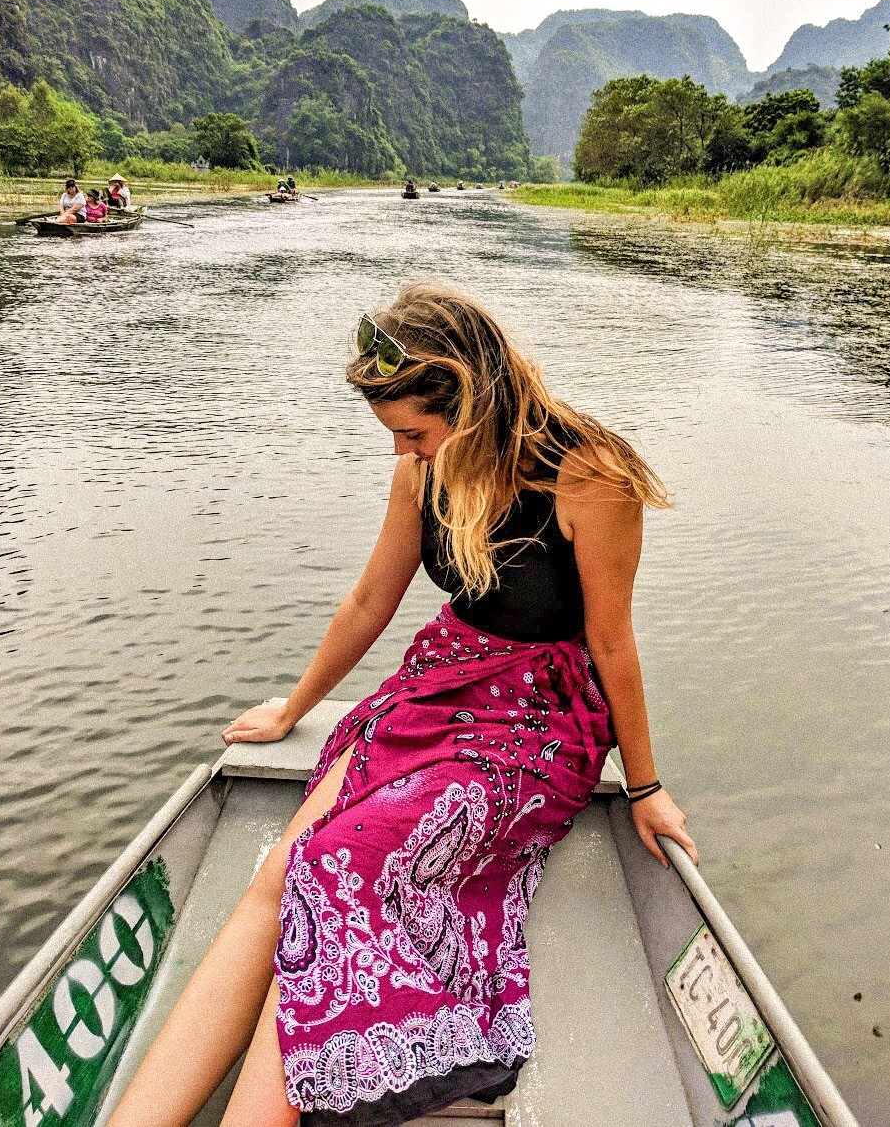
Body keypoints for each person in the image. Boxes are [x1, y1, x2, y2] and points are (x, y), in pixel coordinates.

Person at [109, 284, 697, 1127]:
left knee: (337, 864)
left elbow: (611, 644)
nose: (403, 450)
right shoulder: (420, 469)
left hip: (541, 715)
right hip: (441, 684)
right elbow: (367, 603)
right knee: (281, 870)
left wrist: (643, 787)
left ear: (472, 399)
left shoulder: (588, 472)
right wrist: (293, 707)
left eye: (414, 430)